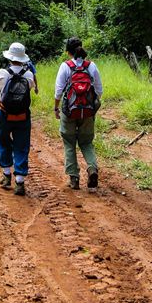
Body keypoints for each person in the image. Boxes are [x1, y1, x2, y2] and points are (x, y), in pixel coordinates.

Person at [54, 37, 103, 190]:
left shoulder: (65, 66)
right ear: (82, 49)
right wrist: (89, 104)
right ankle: (92, 169)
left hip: (69, 111)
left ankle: (74, 179)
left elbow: (58, 92)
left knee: (69, 142)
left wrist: (56, 108)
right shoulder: (91, 66)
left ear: (67, 51)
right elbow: (99, 90)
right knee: (86, 142)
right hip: (88, 111)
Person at [0, 42, 36, 196]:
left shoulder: (2, 72)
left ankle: (6, 175)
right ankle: (19, 181)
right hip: (23, 116)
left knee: (3, 141)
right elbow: (29, 90)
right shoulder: (29, 74)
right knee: (22, 145)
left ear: (10, 57)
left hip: (4, 115)